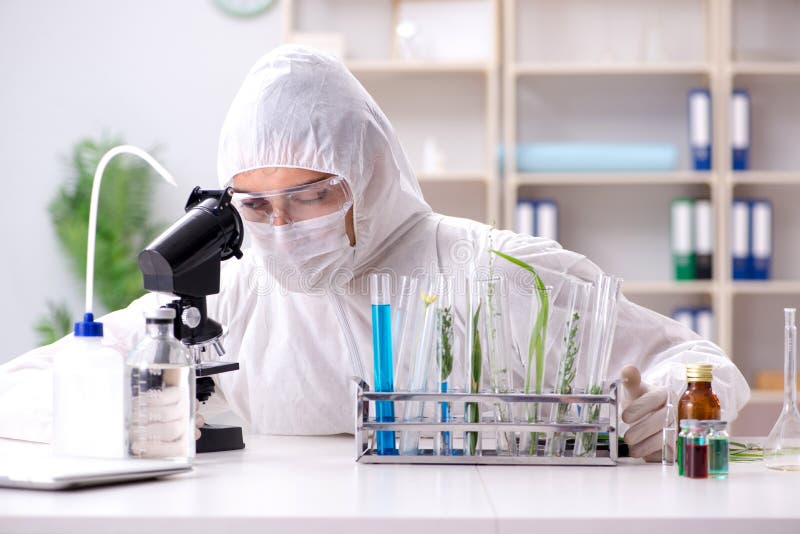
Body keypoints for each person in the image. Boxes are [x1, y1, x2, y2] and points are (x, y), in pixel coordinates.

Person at [0, 45, 749, 460]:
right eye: (257, 205)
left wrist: (684, 409)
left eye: (313, 195)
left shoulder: (495, 273)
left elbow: (699, 360)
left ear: (373, 173)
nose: (283, 228)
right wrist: (114, 408)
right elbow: (26, 384)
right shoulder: (230, 293)